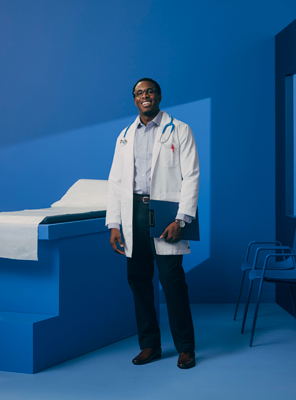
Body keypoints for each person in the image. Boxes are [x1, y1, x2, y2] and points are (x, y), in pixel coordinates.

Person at [106, 78, 200, 369]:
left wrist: (181, 219)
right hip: (133, 211)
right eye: (139, 93)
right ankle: (150, 345)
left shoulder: (179, 129)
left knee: (172, 282)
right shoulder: (124, 135)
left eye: (149, 91)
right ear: (134, 99)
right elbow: (116, 182)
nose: (144, 96)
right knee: (139, 281)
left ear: (158, 96)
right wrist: (113, 224)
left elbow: (192, 176)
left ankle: (186, 348)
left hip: (165, 211)